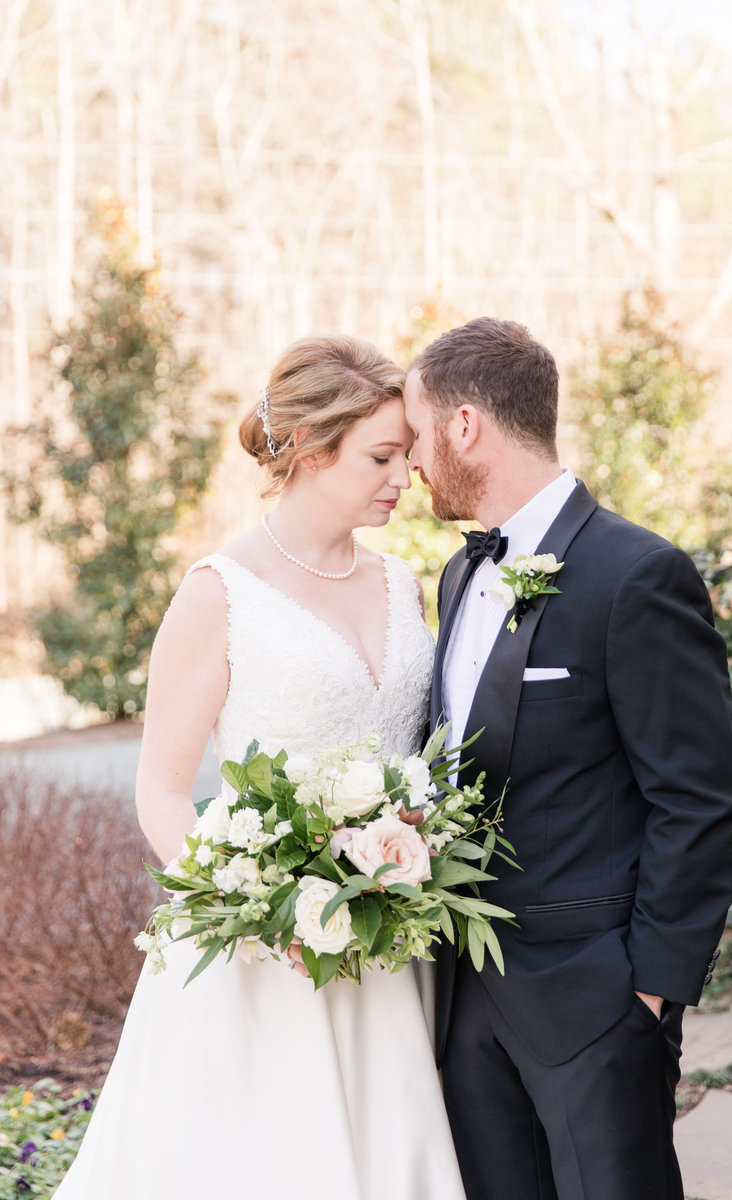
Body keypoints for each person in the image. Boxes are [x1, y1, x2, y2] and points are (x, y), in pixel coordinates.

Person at [54, 335, 466, 1200]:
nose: (405, 477)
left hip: (390, 941)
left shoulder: (402, 583)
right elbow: (161, 792)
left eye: (406, 454)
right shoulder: (219, 591)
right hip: (264, 951)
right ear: (314, 452)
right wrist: (256, 906)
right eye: (383, 456)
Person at [403, 317, 732, 1200]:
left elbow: (698, 799)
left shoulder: (637, 574)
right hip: (464, 999)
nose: (410, 460)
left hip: (595, 1003)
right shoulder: (456, 575)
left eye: (416, 432)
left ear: (466, 425)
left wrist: (649, 997)